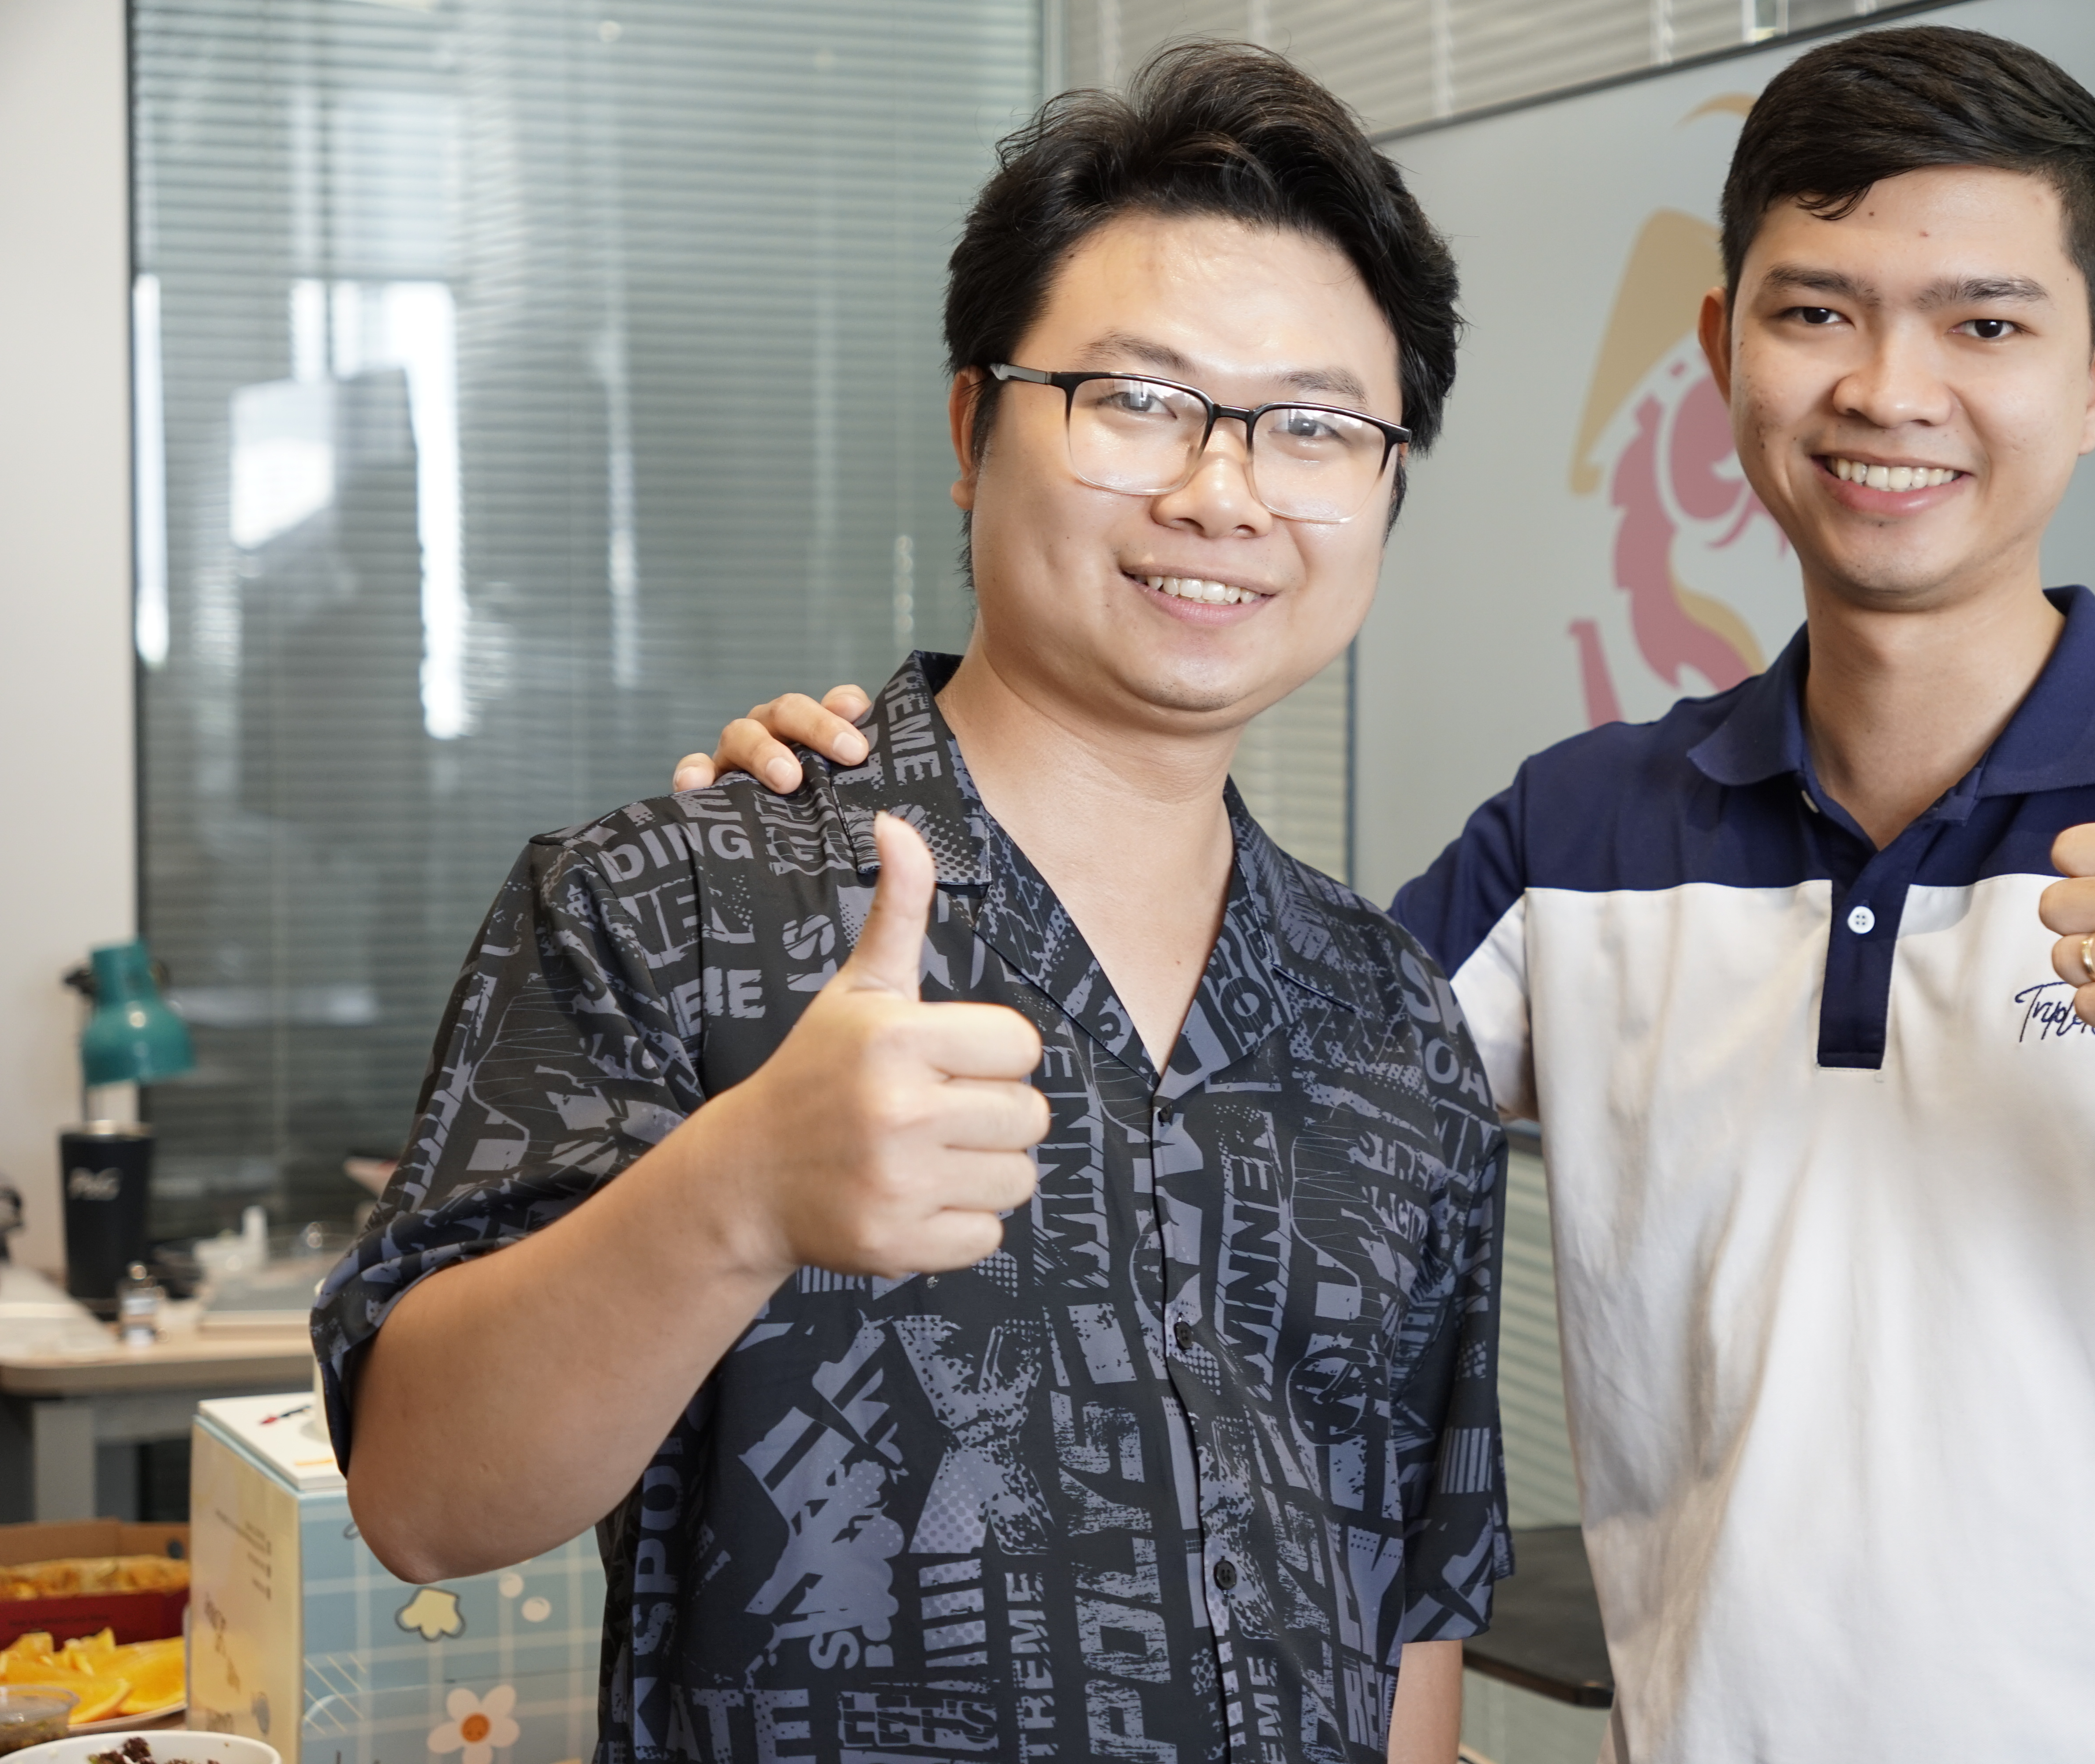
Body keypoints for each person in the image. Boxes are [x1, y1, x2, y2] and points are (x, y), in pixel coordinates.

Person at [691, 26, 2095, 1764]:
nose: (1890, 390)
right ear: (1722, 350)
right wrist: (891, 797)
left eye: (1987, 324)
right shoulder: (1580, 830)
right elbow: (1189, 1090)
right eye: (1817, 313)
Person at [313, 44, 1510, 1764]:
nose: (1222, 492)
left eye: (1315, 426)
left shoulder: (1389, 1013)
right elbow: (422, 1493)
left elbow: (1409, 1606)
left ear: (1386, 484)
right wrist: (738, 1192)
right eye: (1138, 399)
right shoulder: (677, 902)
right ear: (973, 429)